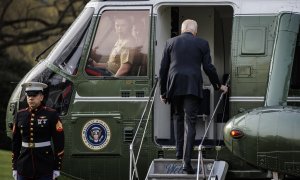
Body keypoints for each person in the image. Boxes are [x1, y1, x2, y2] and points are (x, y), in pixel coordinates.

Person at [159, 19, 228, 174]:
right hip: (192, 86)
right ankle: (186, 163)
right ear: (195, 31)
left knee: (178, 117)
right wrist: (218, 85)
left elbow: (163, 69)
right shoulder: (202, 43)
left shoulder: (170, 42)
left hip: (174, 86)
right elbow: (209, 67)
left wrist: (163, 92)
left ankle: (178, 151)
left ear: (182, 29)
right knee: (190, 122)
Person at [12, 82, 64, 180]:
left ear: (41, 97)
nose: (31, 98)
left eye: (34, 95)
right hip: (24, 165)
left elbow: (59, 143)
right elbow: (16, 143)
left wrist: (57, 167)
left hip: (45, 166)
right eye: (28, 95)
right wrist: (14, 167)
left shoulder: (51, 115)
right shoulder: (20, 115)